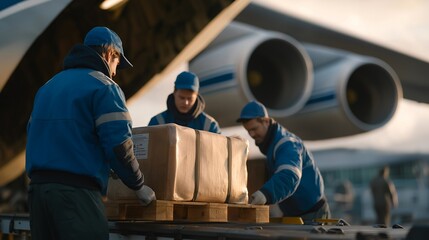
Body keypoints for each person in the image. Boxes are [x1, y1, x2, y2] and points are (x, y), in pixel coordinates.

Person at [25, 26, 156, 240]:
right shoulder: (105, 87)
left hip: (39, 195)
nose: (114, 72)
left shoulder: (47, 87)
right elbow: (118, 144)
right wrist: (138, 184)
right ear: (109, 54)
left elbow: (35, 136)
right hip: (75, 196)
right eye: (117, 64)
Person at [237, 100, 330, 222]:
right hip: (294, 215)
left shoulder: (287, 143)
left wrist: (265, 194)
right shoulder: (273, 146)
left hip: (313, 214)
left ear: (265, 121)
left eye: (254, 128)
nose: (252, 134)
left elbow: (289, 175)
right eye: (248, 131)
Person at [148, 71, 221, 133]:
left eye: (190, 98)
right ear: (174, 92)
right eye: (181, 97)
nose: (186, 102)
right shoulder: (157, 123)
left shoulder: (210, 126)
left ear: (197, 95)